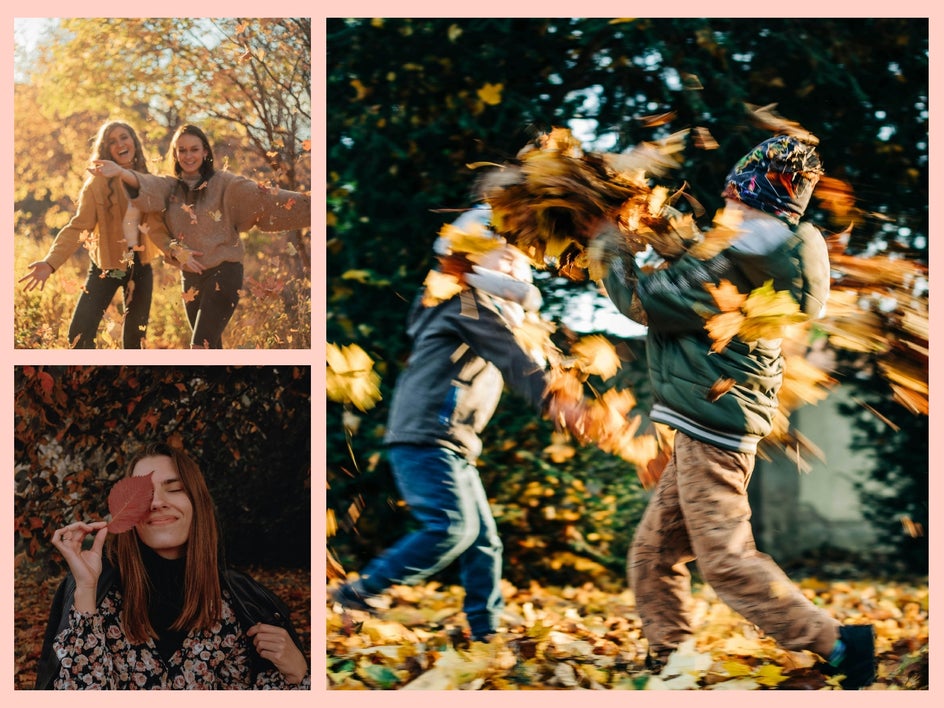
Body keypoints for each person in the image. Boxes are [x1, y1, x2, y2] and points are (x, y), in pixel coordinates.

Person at [598, 135, 876, 689]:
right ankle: (670, 659)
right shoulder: (758, 251)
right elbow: (690, 253)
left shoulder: (735, 262)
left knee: (725, 560)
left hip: (712, 429)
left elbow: (641, 301)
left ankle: (840, 644)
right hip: (705, 424)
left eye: (732, 201)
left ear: (750, 201)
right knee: (653, 555)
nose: (723, 210)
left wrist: (606, 238)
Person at [331, 205, 581, 641]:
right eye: (498, 255)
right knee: (452, 527)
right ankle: (361, 590)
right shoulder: (465, 302)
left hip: (451, 443)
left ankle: (487, 633)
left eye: (516, 257)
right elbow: (510, 355)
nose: (511, 261)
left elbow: (515, 343)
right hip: (427, 436)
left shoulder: (489, 309)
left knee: (484, 542)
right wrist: (552, 398)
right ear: (465, 258)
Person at [35, 442, 310, 690]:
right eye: (143, 495)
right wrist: (85, 590)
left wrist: (299, 675)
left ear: (197, 503)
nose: (156, 503)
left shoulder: (239, 605)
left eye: (175, 489)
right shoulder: (97, 592)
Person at [95, 123, 311, 348]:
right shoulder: (170, 188)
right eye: (182, 150)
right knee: (211, 350)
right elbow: (147, 185)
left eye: (194, 149)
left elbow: (270, 198)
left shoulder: (226, 184)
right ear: (176, 154)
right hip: (190, 278)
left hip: (224, 272)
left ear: (205, 151)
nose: (188, 156)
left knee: (199, 348)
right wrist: (121, 172)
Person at [19, 120, 171, 349]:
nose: (119, 143)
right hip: (106, 266)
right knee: (79, 334)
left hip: (140, 266)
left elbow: (162, 223)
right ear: (106, 149)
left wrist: (178, 253)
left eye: (124, 137)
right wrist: (50, 263)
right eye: (112, 141)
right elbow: (79, 226)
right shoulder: (97, 184)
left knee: (134, 341)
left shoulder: (148, 180)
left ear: (134, 142)